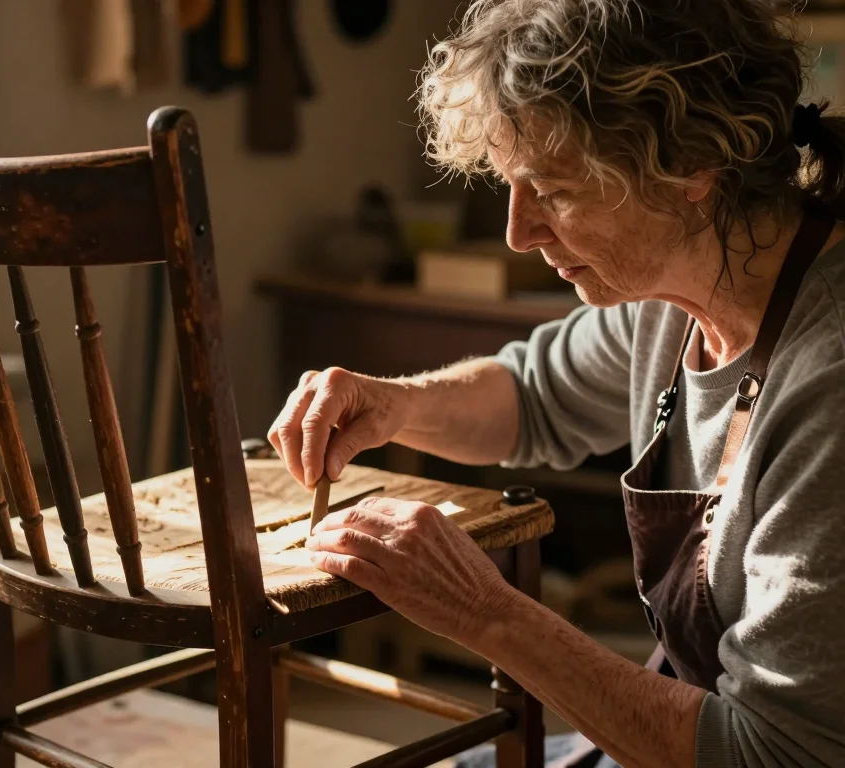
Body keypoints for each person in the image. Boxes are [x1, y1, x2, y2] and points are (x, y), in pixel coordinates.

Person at [267, 1, 845, 765]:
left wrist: (485, 613)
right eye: (512, 186)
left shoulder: (828, 383)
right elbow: (531, 395)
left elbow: (777, 755)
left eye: (554, 190)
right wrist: (394, 403)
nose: (518, 232)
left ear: (689, 165)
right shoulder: (674, 290)